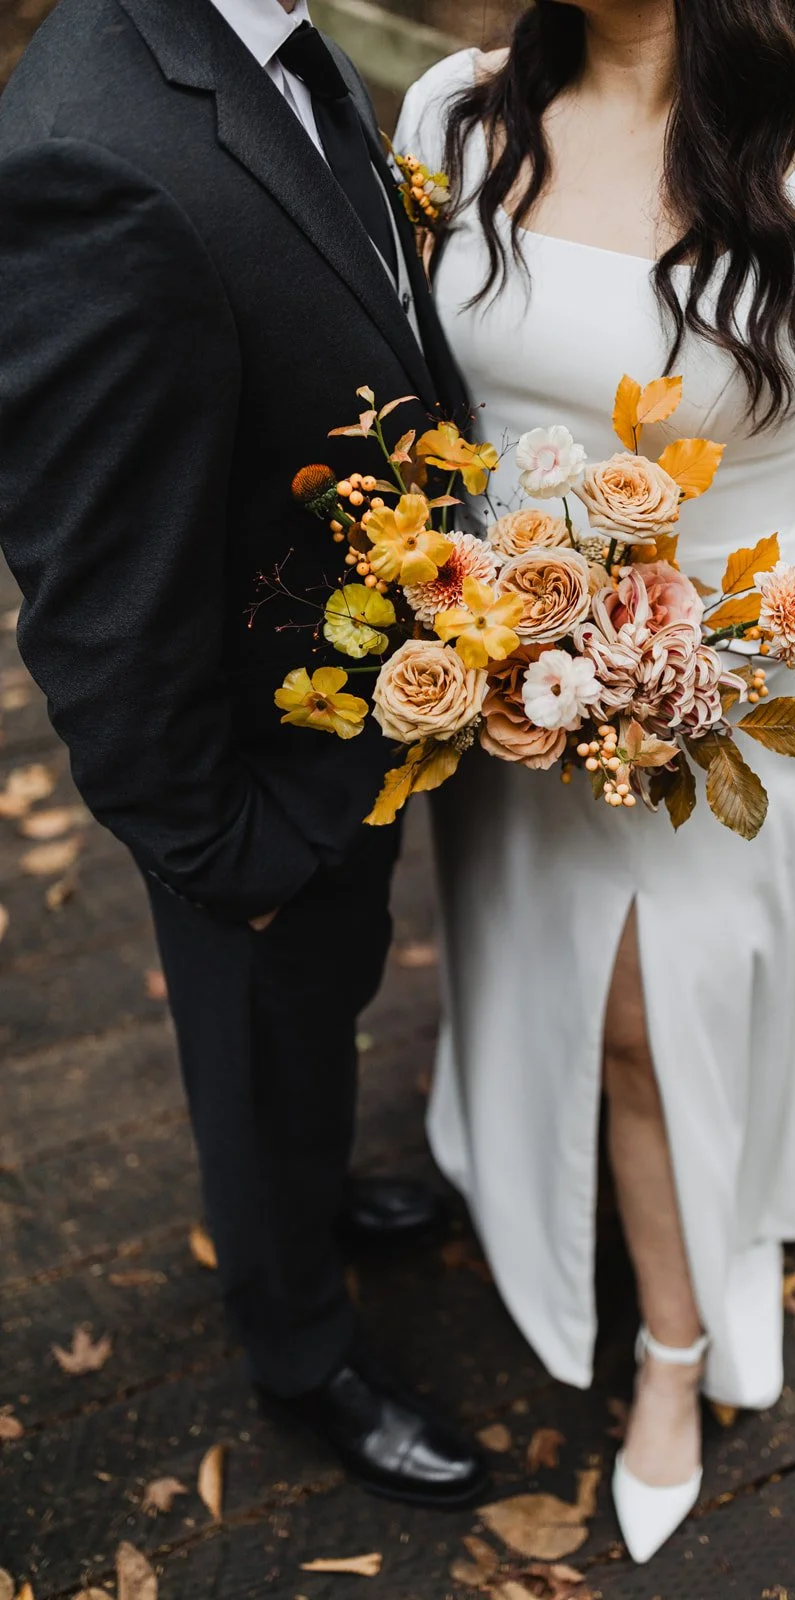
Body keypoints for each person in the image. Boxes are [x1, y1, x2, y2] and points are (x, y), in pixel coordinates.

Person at [395, 0, 795, 1561]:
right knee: (512, 938)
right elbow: (430, 403)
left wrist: (698, 649)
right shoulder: (453, 113)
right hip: (502, 670)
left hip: (709, 688)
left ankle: (673, 1347)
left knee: (647, 1022)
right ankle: (505, 1137)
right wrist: (465, 604)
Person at [0, 0, 487, 1507]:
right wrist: (225, 853)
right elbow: (95, 595)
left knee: (315, 1017)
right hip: (252, 774)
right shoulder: (91, 152)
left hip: (346, 715)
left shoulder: (264, 33)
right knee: (260, 1045)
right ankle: (297, 1347)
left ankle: (322, 1192)